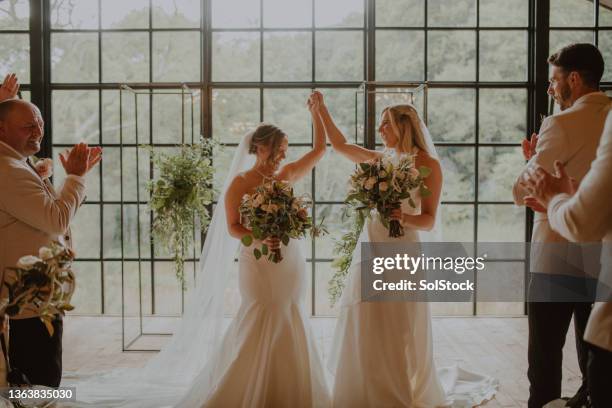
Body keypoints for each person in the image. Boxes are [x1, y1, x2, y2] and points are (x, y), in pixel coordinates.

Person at [65, 93, 330, 407]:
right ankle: (245, 386)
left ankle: (292, 388)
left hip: (288, 260)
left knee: (290, 310)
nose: (282, 156)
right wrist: (260, 237)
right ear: (259, 147)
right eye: (278, 149)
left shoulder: (286, 176)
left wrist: (318, 112)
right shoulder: (240, 183)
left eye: (285, 151)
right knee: (262, 311)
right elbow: (233, 226)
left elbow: (318, 150)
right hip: (257, 261)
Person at [313, 91, 497, 407]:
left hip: (401, 253)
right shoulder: (383, 158)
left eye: (386, 124)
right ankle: (366, 388)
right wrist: (321, 110)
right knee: (367, 320)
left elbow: (428, 220)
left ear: (403, 126)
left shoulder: (428, 165)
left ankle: (395, 390)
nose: (381, 130)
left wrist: (403, 216)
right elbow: (342, 146)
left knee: (397, 324)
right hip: (371, 248)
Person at [512, 43, 609, 408]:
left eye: (554, 80)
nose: (551, 89)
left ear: (573, 78)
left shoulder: (560, 123)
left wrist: (533, 162)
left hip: (558, 254)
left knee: (545, 359)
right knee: (595, 361)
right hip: (603, 259)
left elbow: (522, 189)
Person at [0, 99, 101, 387]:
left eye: (40, 124)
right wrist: (76, 178)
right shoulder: (8, 170)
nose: (38, 132)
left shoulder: (18, 163)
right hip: (27, 296)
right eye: (29, 126)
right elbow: (56, 220)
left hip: (36, 293)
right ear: (1, 129)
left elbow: (47, 216)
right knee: (39, 377)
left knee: (38, 372)